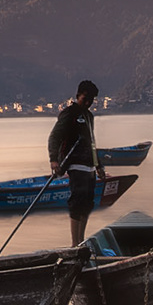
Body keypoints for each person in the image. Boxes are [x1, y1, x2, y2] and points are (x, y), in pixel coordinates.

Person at [45, 80, 104, 244]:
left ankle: (81, 240)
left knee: (87, 204)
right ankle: (74, 244)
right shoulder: (69, 113)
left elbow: (92, 143)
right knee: (77, 204)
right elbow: (54, 137)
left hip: (89, 167)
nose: (87, 102)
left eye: (91, 100)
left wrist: (98, 166)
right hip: (75, 164)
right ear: (78, 96)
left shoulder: (89, 116)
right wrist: (53, 160)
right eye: (85, 98)